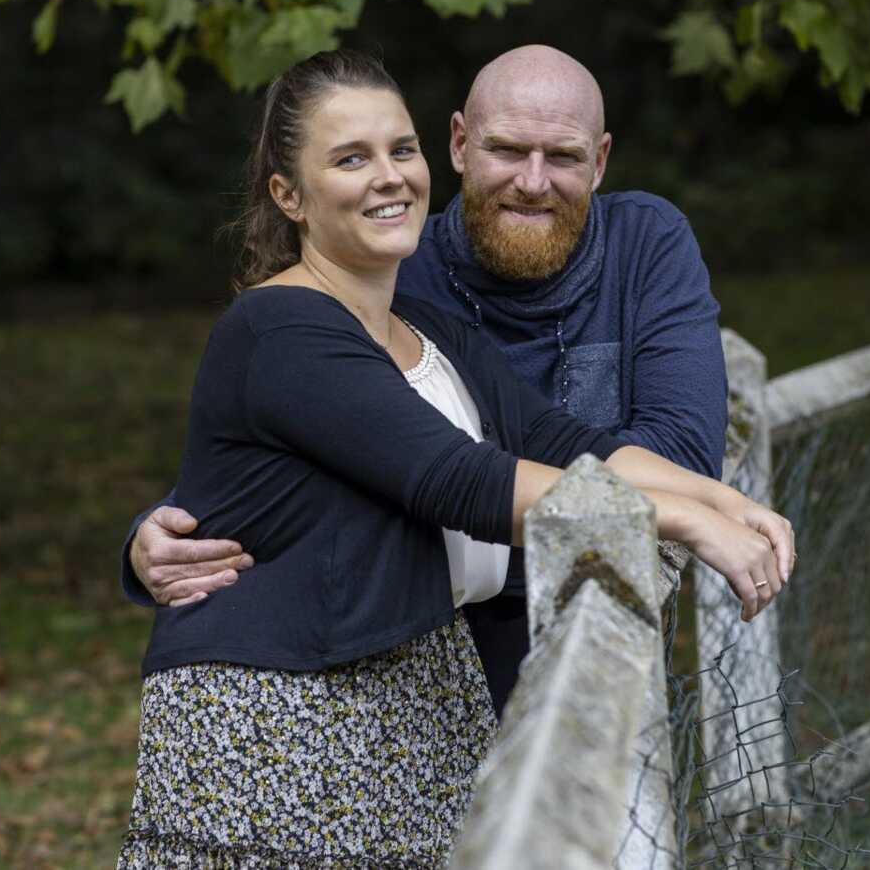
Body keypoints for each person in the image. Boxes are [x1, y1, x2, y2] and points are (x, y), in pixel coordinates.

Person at [116, 49, 794, 867]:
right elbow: (452, 475)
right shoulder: (278, 328)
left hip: (414, 714)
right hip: (281, 727)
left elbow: (563, 445)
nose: (388, 177)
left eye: (398, 151)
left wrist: (727, 503)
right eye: (351, 158)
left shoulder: (424, 319)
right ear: (289, 194)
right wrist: (683, 516)